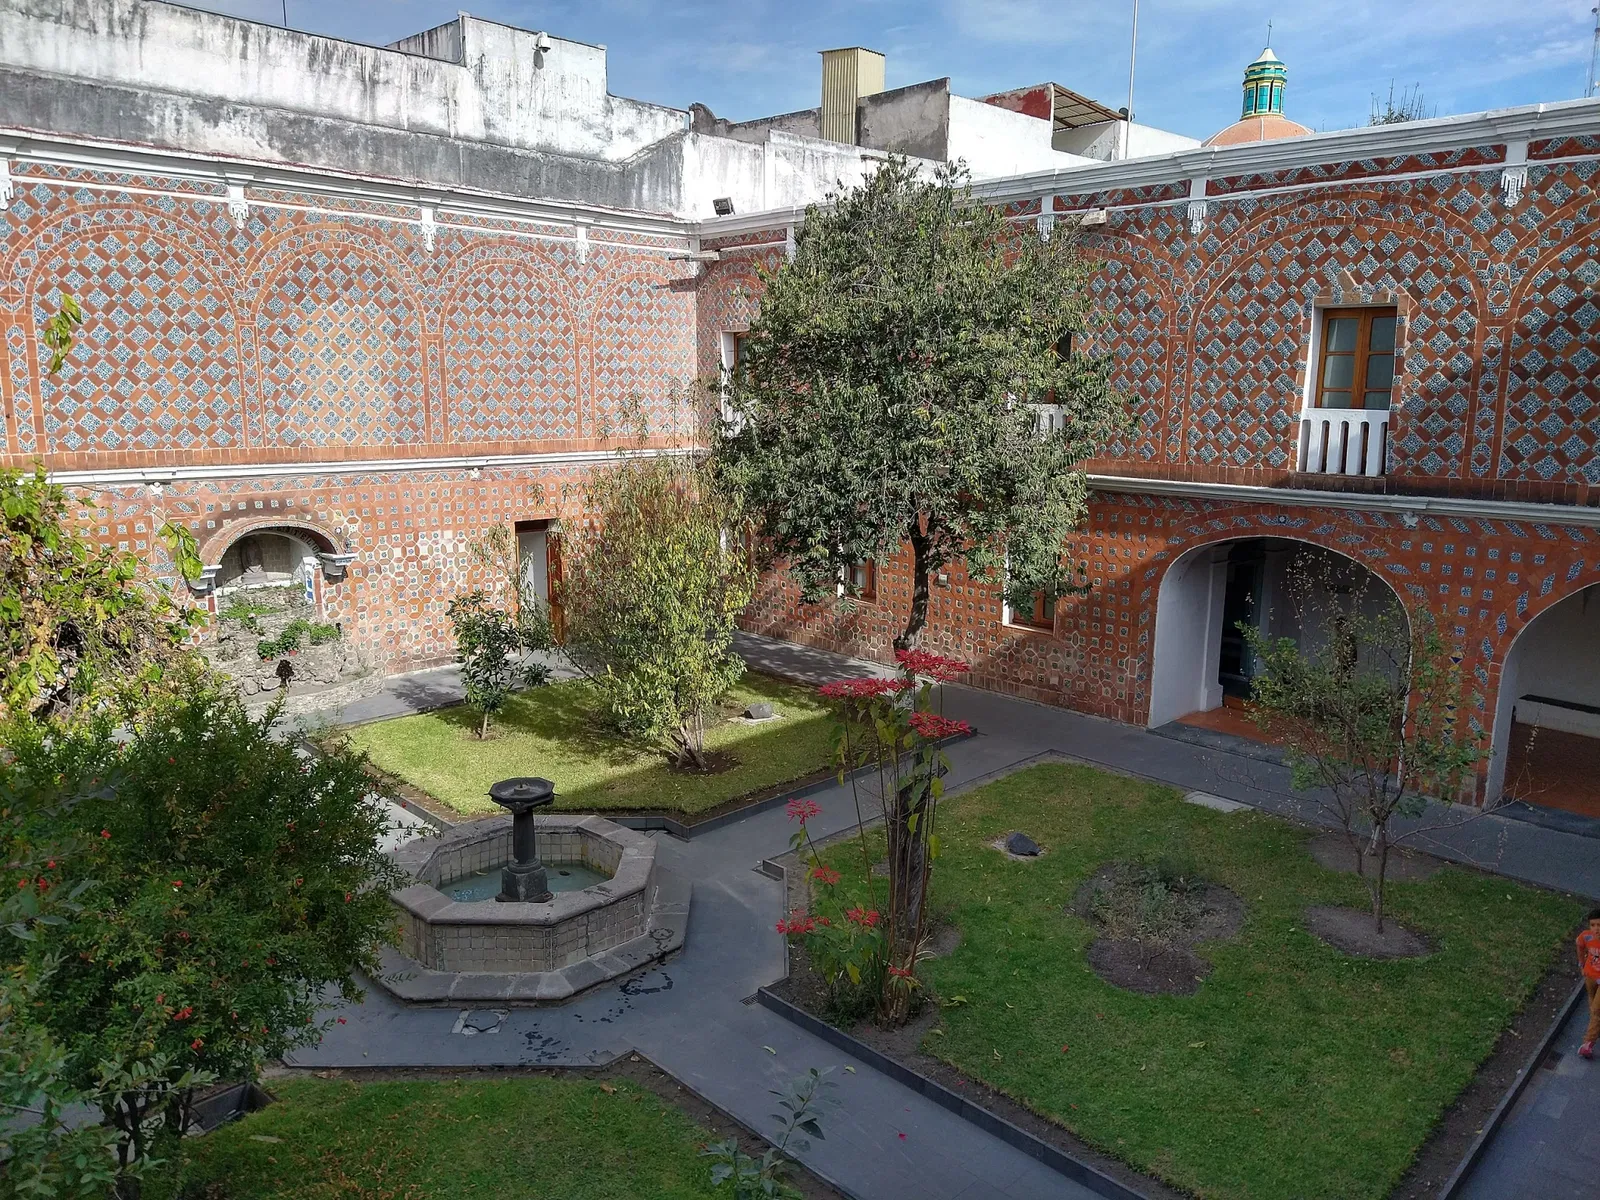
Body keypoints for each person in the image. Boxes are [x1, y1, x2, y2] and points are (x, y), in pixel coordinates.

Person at [1578, 909, 1600, 1058]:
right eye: (1593, 925)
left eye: (1599, 925)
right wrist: (1581, 964)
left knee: (1596, 1009)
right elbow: (1579, 944)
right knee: (1592, 1004)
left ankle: (1588, 1043)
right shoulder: (1586, 937)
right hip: (1590, 976)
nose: (1596, 929)